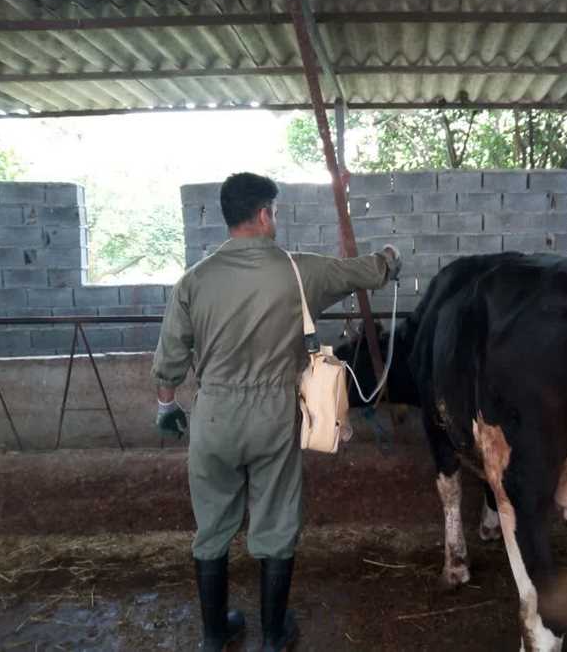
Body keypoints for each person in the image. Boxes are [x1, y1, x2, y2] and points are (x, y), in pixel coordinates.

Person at [151, 172, 401, 651]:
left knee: (213, 527)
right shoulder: (297, 271)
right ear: (264, 214)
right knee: (276, 521)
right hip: (272, 414)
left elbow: (169, 362)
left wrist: (166, 408)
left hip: (213, 417)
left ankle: (213, 636)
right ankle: (271, 637)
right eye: (276, 212)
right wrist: (388, 260)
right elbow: (360, 272)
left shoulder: (194, 280)